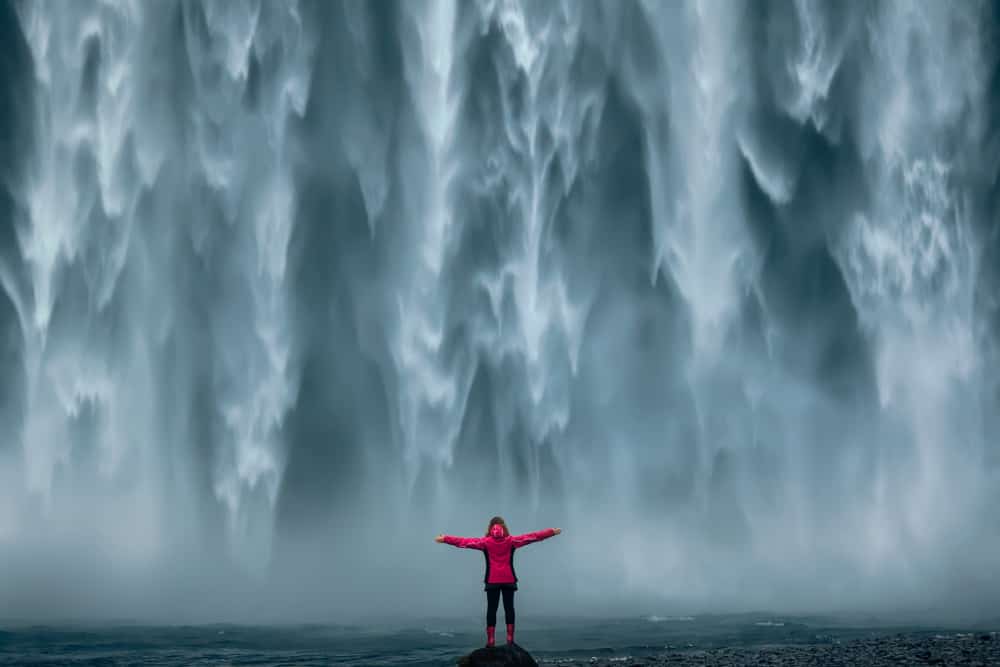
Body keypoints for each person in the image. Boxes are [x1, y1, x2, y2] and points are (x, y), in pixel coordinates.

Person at [435, 516, 561, 647]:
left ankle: (491, 640)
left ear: (490, 529)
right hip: (509, 579)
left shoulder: (485, 543)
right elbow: (533, 537)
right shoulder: (512, 541)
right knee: (509, 609)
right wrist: (551, 532)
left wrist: (445, 539)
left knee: (491, 610)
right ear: (504, 528)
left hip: (492, 581)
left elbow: (464, 542)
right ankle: (510, 639)